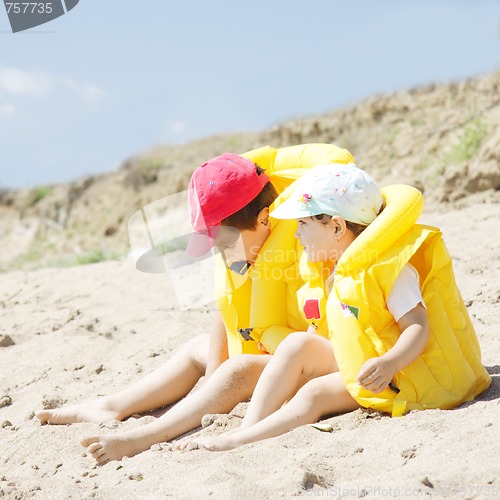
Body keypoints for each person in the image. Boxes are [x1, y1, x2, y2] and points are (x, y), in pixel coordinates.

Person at [35, 144, 355, 463]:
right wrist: (214, 380)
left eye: (223, 243)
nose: (219, 252)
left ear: (264, 218)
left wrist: (223, 379)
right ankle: (114, 405)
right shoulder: (249, 243)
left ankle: (143, 436)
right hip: (271, 349)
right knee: (196, 349)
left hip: (316, 360)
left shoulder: (311, 238)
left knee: (238, 370)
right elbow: (228, 310)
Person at [177, 163, 491, 452]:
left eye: (302, 224)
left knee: (313, 395)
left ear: (337, 228)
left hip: (396, 376)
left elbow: (417, 327)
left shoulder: (387, 268)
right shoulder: (339, 268)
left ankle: (241, 439)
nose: (296, 235)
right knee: (297, 344)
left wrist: (389, 364)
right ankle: (247, 428)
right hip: (362, 361)